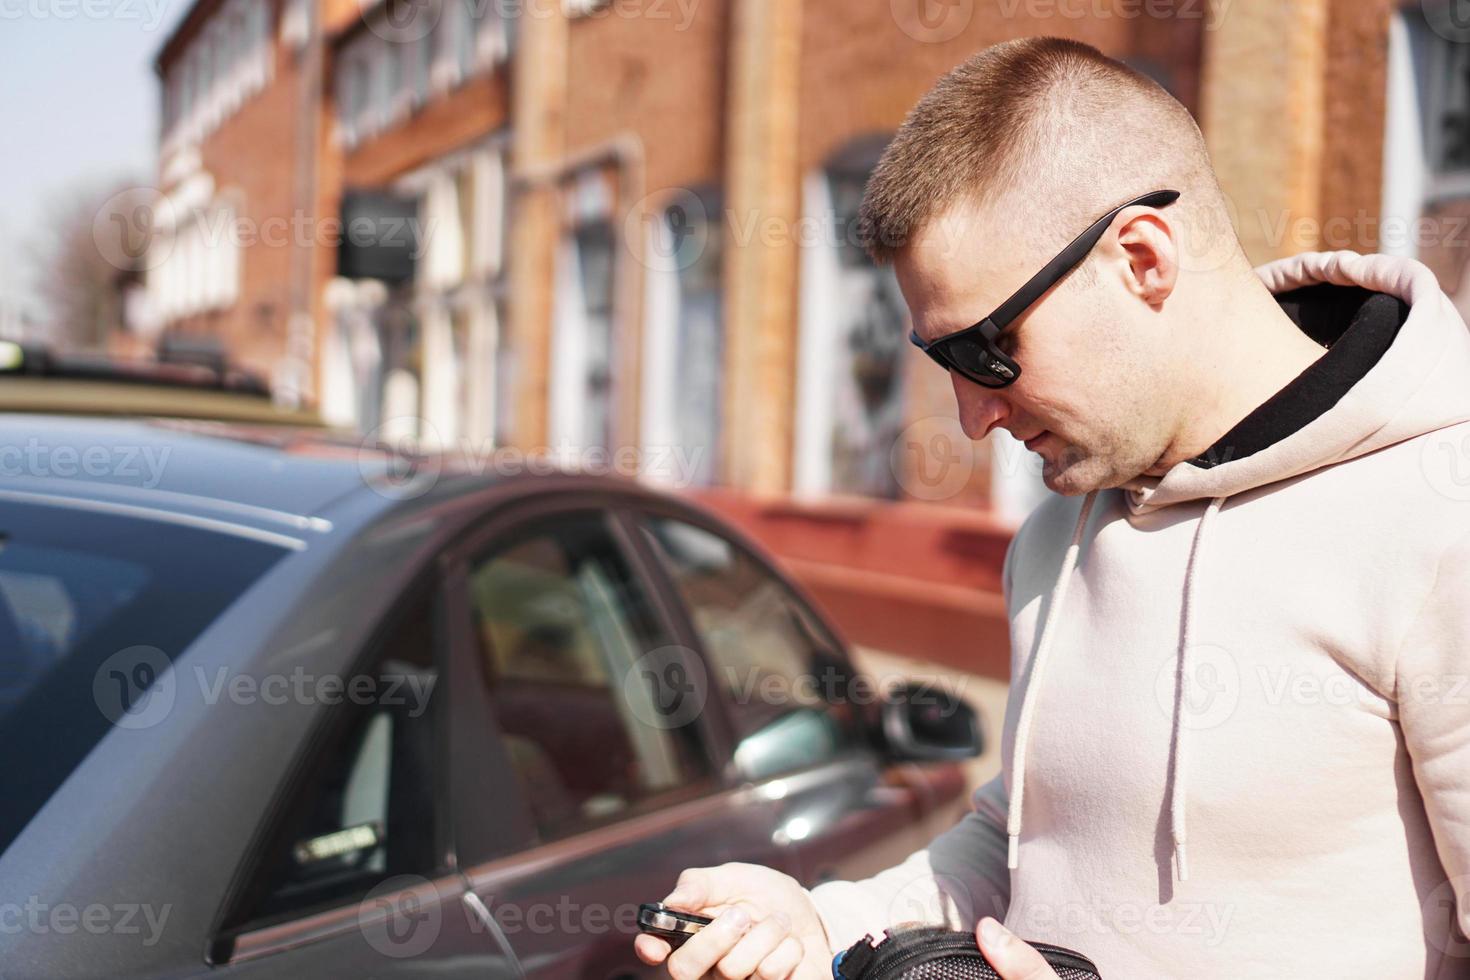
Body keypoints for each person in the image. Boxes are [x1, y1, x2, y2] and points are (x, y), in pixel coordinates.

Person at [634, 35, 1470, 980]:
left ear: (1143, 259)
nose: (973, 415)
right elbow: (1023, 836)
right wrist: (821, 923)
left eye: (986, 350)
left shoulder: (1440, 518)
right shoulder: (1055, 533)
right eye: (940, 363)